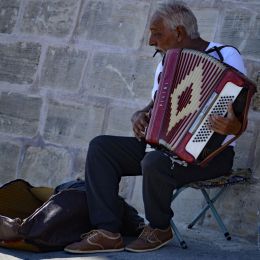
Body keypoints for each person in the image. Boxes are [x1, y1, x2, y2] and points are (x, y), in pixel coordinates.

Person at [64, 0, 246, 254]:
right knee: (102, 148)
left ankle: (159, 228)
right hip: (164, 150)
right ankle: (107, 231)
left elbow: (237, 117)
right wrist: (141, 116)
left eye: (157, 34)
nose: (151, 41)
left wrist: (232, 125)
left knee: (155, 163)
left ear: (179, 33)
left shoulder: (225, 55)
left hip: (211, 155)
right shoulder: (166, 65)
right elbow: (158, 104)